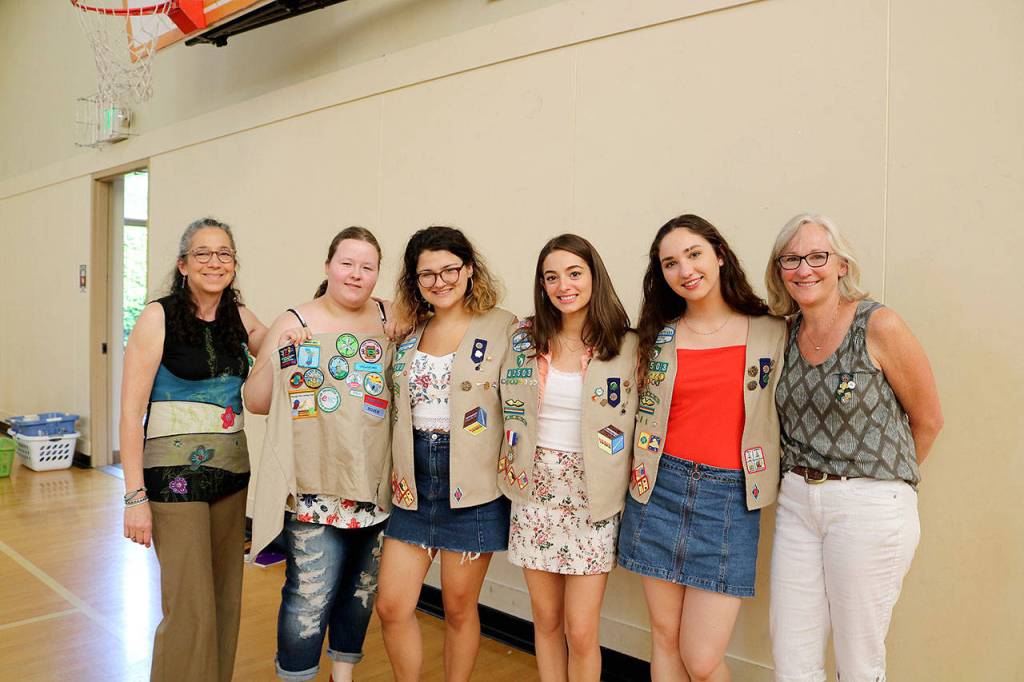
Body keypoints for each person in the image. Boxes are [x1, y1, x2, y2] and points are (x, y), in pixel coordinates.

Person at [765, 213, 942, 682]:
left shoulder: (877, 324)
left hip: (869, 504)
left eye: (818, 256)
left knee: (858, 660)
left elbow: (928, 419)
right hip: (798, 502)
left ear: (841, 264)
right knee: (791, 656)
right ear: (780, 269)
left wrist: (879, 483)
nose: (805, 269)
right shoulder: (783, 334)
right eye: (792, 259)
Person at [617, 214, 787, 682]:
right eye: (670, 263)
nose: (685, 270)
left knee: (703, 657)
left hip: (730, 498)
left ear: (719, 254)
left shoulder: (771, 331)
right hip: (659, 488)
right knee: (664, 637)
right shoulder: (655, 337)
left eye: (693, 254)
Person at [245, 227, 394, 682]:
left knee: (360, 592)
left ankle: (342, 675)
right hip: (312, 488)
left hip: (374, 484)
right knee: (309, 596)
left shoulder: (392, 317)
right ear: (328, 265)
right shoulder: (295, 322)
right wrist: (276, 356)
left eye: (367, 267)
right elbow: (256, 400)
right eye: (347, 263)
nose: (356, 274)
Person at [120, 217, 266, 682]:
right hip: (171, 480)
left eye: (224, 253)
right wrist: (134, 498)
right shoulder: (156, 317)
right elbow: (129, 415)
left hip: (231, 476)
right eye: (202, 253)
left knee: (225, 603)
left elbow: (278, 342)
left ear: (234, 265)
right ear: (183, 264)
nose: (214, 262)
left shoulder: (240, 318)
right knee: (189, 607)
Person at [374, 226, 514, 682]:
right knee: (392, 605)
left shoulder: (503, 326)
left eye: (449, 269)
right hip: (414, 477)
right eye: (426, 275)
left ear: (469, 270)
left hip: (471, 479)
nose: (439, 281)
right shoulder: (409, 332)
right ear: (415, 282)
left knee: (458, 607)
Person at [499, 234, 638, 682]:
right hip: (534, 489)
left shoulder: (626, 345)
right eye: (551, 277)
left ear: (594, 277)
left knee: (581, 631)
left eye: (574, 274)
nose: (564, 286)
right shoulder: (522, 338)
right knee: (546, 622)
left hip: (593, 494)